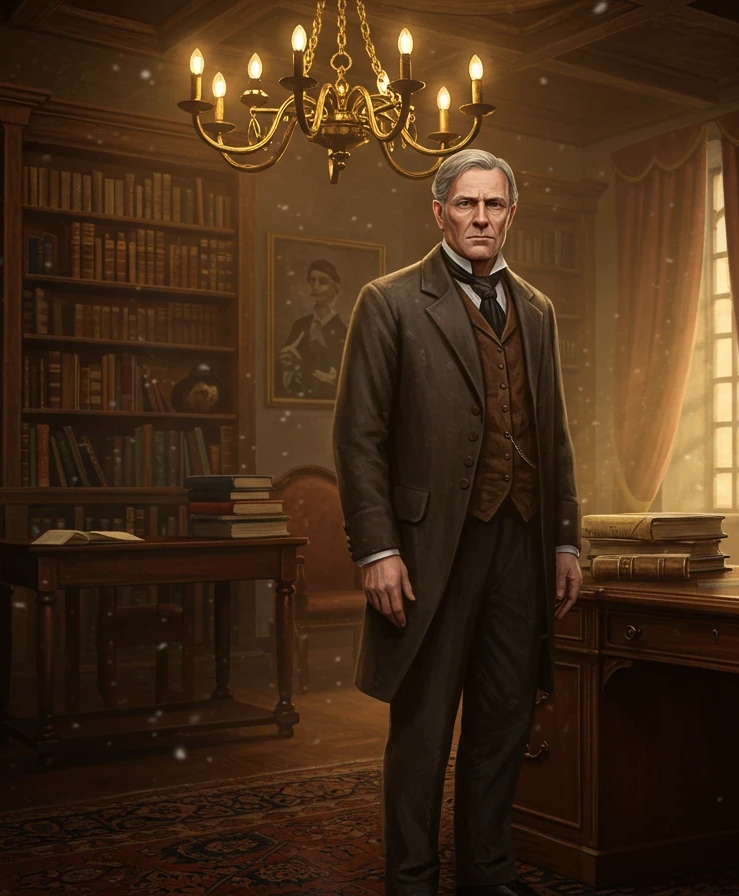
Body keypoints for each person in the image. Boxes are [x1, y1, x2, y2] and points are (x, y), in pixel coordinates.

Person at [333, 149, 583, 896]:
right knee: (423, 730)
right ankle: (412, 881)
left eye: (494, 206)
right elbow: (359, 436)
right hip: (428, 550)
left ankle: (489, 876)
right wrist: (377, 548)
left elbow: (554, 436)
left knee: (504, 724)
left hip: (522, 546)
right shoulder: (389, 302)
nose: (481, 218)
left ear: (512, 214)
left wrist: (567, 538)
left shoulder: (536, 310)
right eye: (467, 204)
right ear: (438, 211)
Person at [278, 258, 348, 399]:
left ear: (335, 287)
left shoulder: (343, 331)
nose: (315, 287)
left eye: (322, 282)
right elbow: (284, 366)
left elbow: (340, 377)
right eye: (312, 281)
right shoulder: (300, 325)